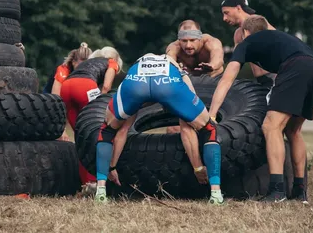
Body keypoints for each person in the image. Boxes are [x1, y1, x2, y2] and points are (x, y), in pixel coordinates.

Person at [207, 15, 313, 203]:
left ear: (245, 32)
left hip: (296, 68)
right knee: (293, 130)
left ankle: (277, 191)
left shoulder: (246, 43)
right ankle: (299, 191)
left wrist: (212, 114)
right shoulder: (278, 37)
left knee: (271, 126)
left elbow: (226, 80)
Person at [93, 52, 224, 206]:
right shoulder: (173, 64)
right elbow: (189, 111)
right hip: (168, 84)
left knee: (107, 129)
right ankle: (215, 193)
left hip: (135, 84)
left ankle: (100, 190)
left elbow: (122, 131)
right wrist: (197, 167)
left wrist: (112, 166)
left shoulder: (137, 64)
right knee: (208, 128)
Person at [60, 46, 123, 185]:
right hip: (84, 87)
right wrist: (102, 107)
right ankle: (98, 180)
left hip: (66, 86)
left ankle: (86, 183)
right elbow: (106, 87)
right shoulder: (111, 62)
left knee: (81, 138)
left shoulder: (90, 62)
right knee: (98, 134)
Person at [165, 20, 225, 133]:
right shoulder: (174, 47)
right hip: (190, 86)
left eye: (192, 40)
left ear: (199, 38)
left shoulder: (210, 42)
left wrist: (211, 66)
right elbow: (168, 62)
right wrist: (176, 68)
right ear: (179, 40)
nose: (188, 45)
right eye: (184, 41)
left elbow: (219, 58)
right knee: (173, 129)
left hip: (212, 83)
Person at [221, 0, 276, 88]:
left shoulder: (258, 22)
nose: (224, 18)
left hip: (276, 77)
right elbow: (235, 64)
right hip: (261, 80)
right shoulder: (238, 34)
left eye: (227, 13)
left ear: (238, 8)